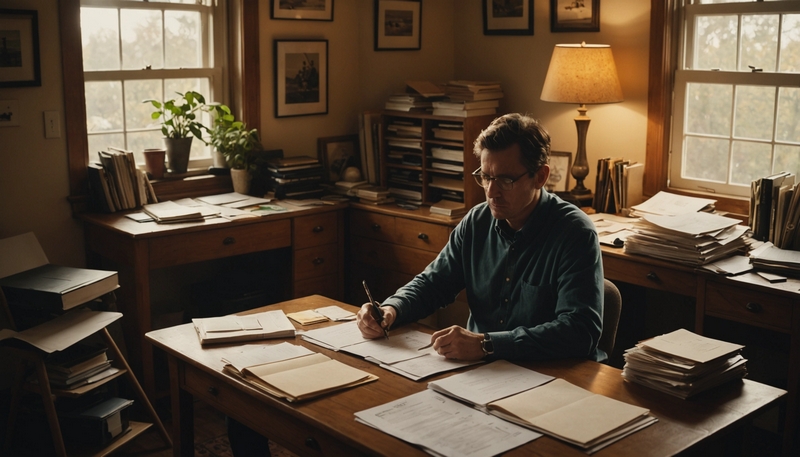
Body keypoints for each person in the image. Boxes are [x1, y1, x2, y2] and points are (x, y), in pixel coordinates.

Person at [356, 113, 605, 362]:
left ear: (540, 176)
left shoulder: (575, 233)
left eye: (505, 180)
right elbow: (433, 284)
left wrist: (488, 345)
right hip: (479, 373)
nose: (491, 191)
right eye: (485, 177)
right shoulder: (477, 221)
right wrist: (391, 309)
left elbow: (579, 332)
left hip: (552, 377)